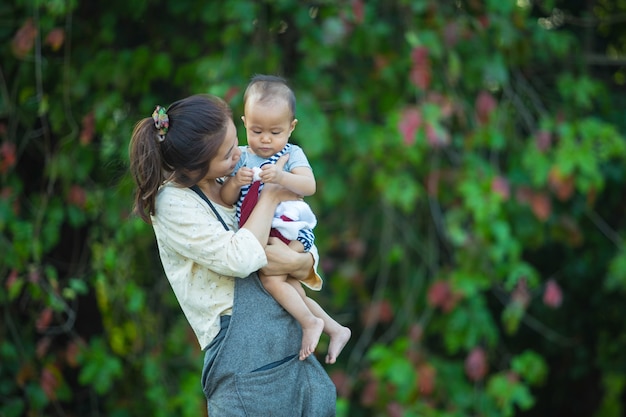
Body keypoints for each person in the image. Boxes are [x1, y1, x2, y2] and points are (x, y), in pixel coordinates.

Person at [128, 94, 336, 416]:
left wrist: (303, 262)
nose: (239, 153)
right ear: (194, 168)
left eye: (235, 143)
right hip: (247, 359)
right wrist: (269, 197)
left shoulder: (228, 175)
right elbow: (240, 259)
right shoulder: (174, 203)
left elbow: (291, 228)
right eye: (227, 153)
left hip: (288, 348)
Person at [220, 74, 351, 364]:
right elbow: (227, 199)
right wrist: (234, 183)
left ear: (291, 128)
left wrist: (281, 176)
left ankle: (310, 323)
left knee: (271, 279)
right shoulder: (241, 158)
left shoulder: (291, 154)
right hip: (266, 233)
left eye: (275, 132)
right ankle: (334, 328)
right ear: (244, 124)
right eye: (256, 131)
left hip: (292, 231)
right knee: (289, 287)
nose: (265, 139)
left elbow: (309, 186)